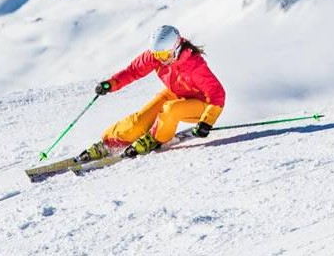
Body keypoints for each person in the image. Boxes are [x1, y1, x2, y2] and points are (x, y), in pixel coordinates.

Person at [77, 25, 225, 162]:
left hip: (203, 104)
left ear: (176, 47)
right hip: (176, 94)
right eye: (157, 54)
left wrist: (206, 121)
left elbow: (217, 93)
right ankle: (108, 144)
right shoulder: (156, 57)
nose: (161, 58)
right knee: (139, 121)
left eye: (165, 54)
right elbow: (132, 71)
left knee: (170, 109)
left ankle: (154, 139)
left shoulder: (194, 64)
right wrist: (111, 83)